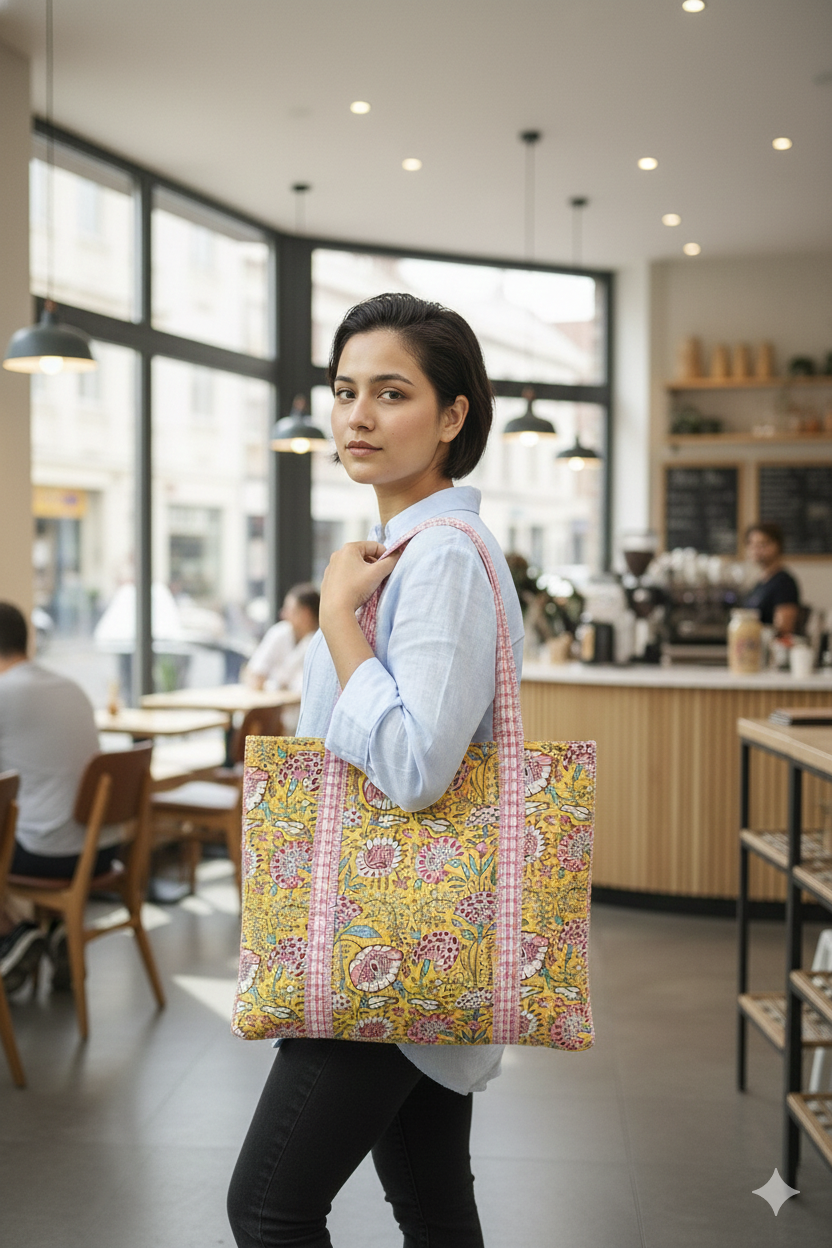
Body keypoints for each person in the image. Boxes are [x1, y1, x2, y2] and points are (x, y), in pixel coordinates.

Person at [227, 293, 524, 1248]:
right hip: (406, 929)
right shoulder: (410, 550)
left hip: (383, 934)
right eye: (344, 389)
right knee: (435, 1210)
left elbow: (415, 767)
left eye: (391, 392)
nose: (356, 415)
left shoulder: (434, 557)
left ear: (452, 416)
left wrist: (343, 622)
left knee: (269, 1208)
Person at [0, 602, 120, 992]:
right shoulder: (69, 687)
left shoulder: (4, 694)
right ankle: (56, 933)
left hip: (51, 856)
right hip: (100, 849)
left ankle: (14, 934)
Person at [243, 584, 320, 733]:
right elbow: (254, 675)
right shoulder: (279, 633)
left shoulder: (321, 641)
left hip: (304, 725)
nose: (283, 614)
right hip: (273, 718)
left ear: (305, 613)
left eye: (289, 610)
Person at [743, 523, 801, 633]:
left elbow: (784, 629)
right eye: (752, 544)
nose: (756, 549)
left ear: (777, 545)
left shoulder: (784, 583)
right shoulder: (760, 582)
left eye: (762, 544)